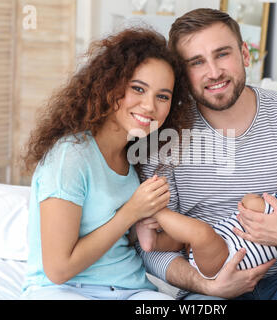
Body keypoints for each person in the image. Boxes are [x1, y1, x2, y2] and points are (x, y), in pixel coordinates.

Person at [136, 8, 277, 300]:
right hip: (211, 282)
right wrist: (206, 286)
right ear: (182, 74)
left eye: (222, 54)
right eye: (197, 62)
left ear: (245, 55)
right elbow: (148, 246)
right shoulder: (163, 137)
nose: (213, 72)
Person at [20, 27, 192, 300]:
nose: (149, 106)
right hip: (64, 290)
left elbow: (132, 239)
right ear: (110, 84)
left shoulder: (134, 157)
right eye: (138, 88)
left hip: (132, 289)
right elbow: (58, 269)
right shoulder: (71, 156)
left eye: (163, 96)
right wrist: (131, 212)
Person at [136, 163, 277, 280]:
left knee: (199, 234)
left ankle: (155, 212)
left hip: (226, 259)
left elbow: (253, 206)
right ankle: (151, 242)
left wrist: (252, 199)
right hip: (224, 261)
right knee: (186, 240)